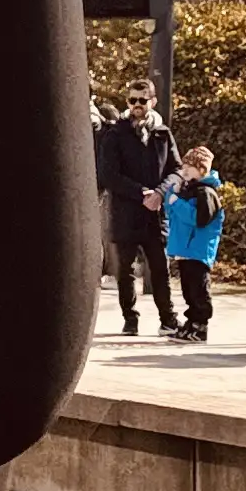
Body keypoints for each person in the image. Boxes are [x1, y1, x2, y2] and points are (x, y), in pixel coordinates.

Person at [93, 86, 178, 336]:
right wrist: (141, 193)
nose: (137, 104)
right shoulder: (116, 134)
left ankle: (168, 319)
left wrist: (160, 193)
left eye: (142, 99)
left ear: (153, 101)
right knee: (125, 270)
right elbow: (108, 174)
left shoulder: (162, 134)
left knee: (160, 268)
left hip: (155, 214)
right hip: (126, 213)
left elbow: (176, 169)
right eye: (132, 100)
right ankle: (130, 319)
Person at [163, 146, 228, 341]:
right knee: (188, 289)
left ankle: (200, 325)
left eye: (189, 167)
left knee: (199, 289)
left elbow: (199, 218)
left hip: (197, 250)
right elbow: (171, 212)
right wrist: (171, 196)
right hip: (185, 250)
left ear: (201, 169)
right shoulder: (188, 191)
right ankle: (191, 322)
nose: (184, 171)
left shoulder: (206, 193)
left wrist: (176, 202)